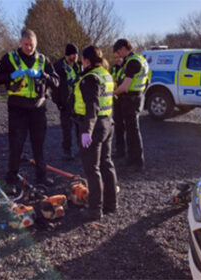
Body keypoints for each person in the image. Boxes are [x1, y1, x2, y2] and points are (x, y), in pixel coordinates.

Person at [0, 29, 59, 192]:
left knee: (39, 145)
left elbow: (56, 81)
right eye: (26, 44)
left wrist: (42, 75)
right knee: (16, 145)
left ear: (36, 44)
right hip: (17, 109)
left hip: (38, 107)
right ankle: (11, 180)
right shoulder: (9, 58)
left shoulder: (43, 60)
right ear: (20, 43)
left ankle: (41, 177)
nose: (29, 48)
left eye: (32, 45)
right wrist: (11, 76)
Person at [74, 45, 118, 220]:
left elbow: (92, 108)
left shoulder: (90, 78)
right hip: (108, 123)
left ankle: (94, 210)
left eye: (82, 60)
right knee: (107, 164)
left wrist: (87, 131)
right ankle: (111, 204)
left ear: (86, 60)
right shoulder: (105, 74)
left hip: (95, 126)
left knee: (92, 170)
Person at [113, 38, 149, 171]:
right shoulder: (140, 59)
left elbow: (125, 86)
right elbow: (146, 81)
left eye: (118, 51)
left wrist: (112, 93)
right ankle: (132, 160)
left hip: (131, 99)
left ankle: (137, 162)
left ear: (123, 48)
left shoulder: (132, 62)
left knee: (133, 132)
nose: (118, 55)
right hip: (137, 96)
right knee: (132, 130)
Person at [53, 43, 82, 160]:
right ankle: (67, 150)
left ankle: (83, 149)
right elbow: (54, 87)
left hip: (79, 103)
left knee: (82, 129)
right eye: (72, 54)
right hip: (65, 103)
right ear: (66, 54)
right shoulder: (58, 67)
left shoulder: (80, 65)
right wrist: (58, 102)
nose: (74, 57)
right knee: (67, 130)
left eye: (76, 54)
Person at [110, 51, 125, 158]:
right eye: (115, 57)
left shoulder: (127, 68)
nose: (117, 59)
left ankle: (127, 150)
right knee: (118, 126)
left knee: (127, 127)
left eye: (119, 57)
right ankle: (120, 150)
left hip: (126, 99)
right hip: (116, 100)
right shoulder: (113, 68)